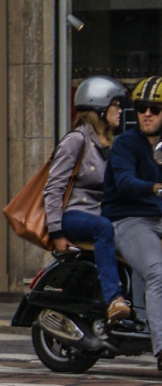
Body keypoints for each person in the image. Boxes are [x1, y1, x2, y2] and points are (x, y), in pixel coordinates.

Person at [44, 75, 131, 321]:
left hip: (99, 214)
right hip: (74, 215)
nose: (120, 110)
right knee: (103, 227)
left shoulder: (109, 145)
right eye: (116, 104)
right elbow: (53, 188)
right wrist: (56, 232)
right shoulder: (76, 141)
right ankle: (113, 299)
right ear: (100, 107)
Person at [102, 75, 162, 374]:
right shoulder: (126, 144)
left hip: (157, 219)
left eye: (155, 108)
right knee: (157, 272)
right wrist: (154, 187)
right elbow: (125, 182)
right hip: (129, 219)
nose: (147, 114)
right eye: (142, 108)